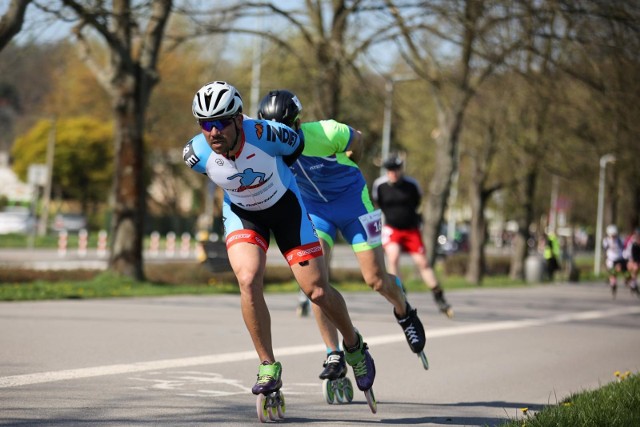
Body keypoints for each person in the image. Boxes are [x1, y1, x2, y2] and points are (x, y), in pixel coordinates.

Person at [183, 81, 375, 398]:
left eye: (220, 122)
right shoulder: (195, 154)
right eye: (205, 124)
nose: (213, 131)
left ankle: (354, 345)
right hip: (245, 216)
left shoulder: (269, 135)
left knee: (316, 290)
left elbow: (296, 148)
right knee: (247, 278)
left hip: (286, 209)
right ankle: (268, 364)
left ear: (238, 118)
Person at [257, 89, 428, 380]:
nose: (281, 137)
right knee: (315, 284)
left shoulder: (327, 131)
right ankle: (332, 352)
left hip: (353, 202)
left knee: (375, 279)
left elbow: (357, 140)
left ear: (298, 124)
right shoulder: (266, 145)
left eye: (287, 129)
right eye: (274, 131)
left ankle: (404, 310)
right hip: (316, 210)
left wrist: (350, 161)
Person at [371, 155, 453, 317]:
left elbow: (417, 202)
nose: (393, 173)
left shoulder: (411, 185)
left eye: (396, 170)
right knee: (393, 258)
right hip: (392, 228)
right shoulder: (379, 185)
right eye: (390, 170)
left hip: (411, 229)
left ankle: (439, 297)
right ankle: (400, 292)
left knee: (422, 262)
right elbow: (376, 203)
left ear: (401, 169)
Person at [602, 224, 630, 298]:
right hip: (611, 260)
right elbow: (605, 250)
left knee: (626, 274)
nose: (613, 237)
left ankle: (628, 282)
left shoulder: (620, 239)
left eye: (614, 235)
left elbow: (624, 248)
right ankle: (613, 286)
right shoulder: (606, 240)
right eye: (612, 235)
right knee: (613, 274)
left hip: (620, 259)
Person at [623, 227, 640, 295]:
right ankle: (630, 280)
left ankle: (632, 283)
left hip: (636, 256)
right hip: (628, 256)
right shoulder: (631, 241)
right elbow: (628, 251)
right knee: (634, 268)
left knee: (636, 269)